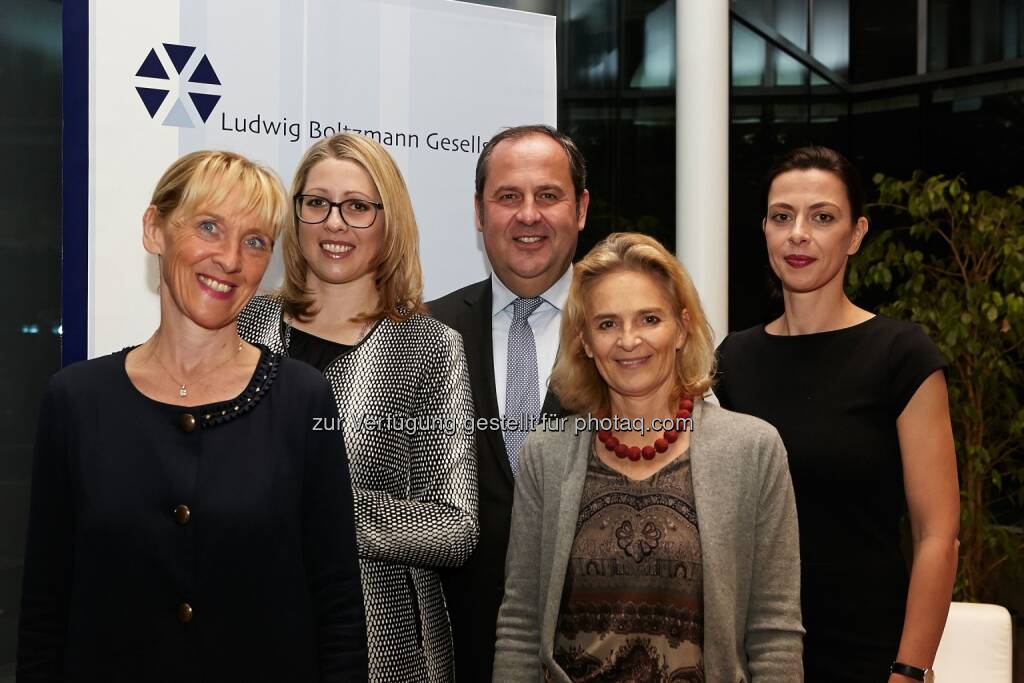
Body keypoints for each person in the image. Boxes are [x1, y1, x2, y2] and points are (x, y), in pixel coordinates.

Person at [17, 151, 368, 681]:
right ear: (154, 229)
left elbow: (337, 606)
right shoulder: (75, 400)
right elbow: (45, 609)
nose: (230, 259)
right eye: (209, 227)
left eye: (255, 242)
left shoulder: (302, 398)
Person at [493, 232, 804, 682]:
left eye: (649, 318)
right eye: (607, 324)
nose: (628, 340)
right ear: (584, 341)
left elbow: (774, 632)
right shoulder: (547, 453)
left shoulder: (753, 450)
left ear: (681, 328)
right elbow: (520, 622)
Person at [237, 133, 478, 683]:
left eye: (358, 207)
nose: (334, 223)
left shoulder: (428, 346)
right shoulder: (244, 326)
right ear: (295, 214)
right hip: (249, 627)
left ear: (388, 220)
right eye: (316, 203)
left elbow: (456, 530)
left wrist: (318, 500)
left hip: (381, 647)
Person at [715, 146, 959, 683]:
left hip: (870, 654)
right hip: (752, 655)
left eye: (822, 217)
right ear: (765, 230)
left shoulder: (901, 354)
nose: (798, 234)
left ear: (856, 233)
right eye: (783, 217)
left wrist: (910, 669)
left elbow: (937, 534)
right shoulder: (732, 359)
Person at [427, 124, 589, 683]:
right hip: (456, 651)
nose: (528, 215)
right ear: (479, 212)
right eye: (507, 197)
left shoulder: (626, 337)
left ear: (581, 208)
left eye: (548, 195)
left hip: (599, 650)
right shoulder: (419, 334)